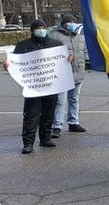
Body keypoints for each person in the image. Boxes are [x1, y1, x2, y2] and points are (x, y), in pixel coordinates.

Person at [4, 20, 62, 154]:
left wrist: (69, 58)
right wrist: (7, 66)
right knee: (31, 115)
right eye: (38, 28)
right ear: (32, 31)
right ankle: (28, 143)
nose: (41, 30)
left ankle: (45, 138)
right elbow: (15, 64)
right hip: (33, 88)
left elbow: (63, 61)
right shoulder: (23, 46)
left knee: (48, 114)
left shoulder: (56, 45)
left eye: (43, 28)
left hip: (51, 86)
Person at [49, 13, 88, 137]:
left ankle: (73, 122)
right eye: (68, 22)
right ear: (63, 24)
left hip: (78, 73)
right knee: (60, 101)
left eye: (72, 22)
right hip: (62, 75)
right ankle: (57, 125)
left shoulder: (80, 38)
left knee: (74, 99)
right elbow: (49, 54)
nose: (70, 25)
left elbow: (85, 54)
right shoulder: (55, 36)